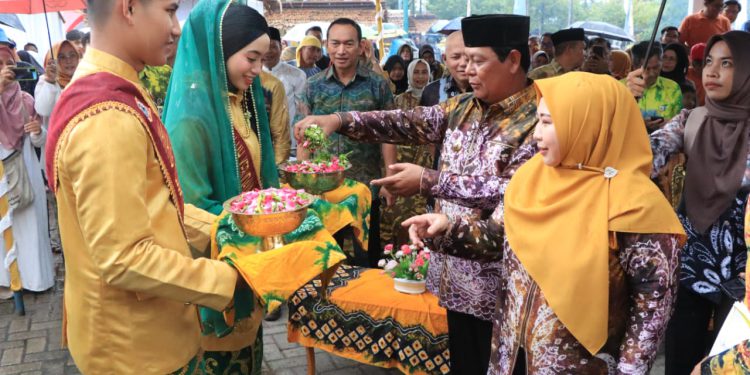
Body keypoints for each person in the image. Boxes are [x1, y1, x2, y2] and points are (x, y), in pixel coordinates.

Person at [294, 15, 538, 374]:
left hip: (505, 290)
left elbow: (516, 196)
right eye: (463, 60)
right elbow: (405, 121)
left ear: (513, 60)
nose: (466, 70)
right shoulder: (463, 107)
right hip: (456, 281)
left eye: (478, 61)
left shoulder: (538, 120)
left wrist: (429, 181)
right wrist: (340, 121)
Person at [407, 72, 686, 374]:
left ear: (587, 124)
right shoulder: (532, 179)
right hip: (511, 356)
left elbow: (650, 312)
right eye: (538, 119)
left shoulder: (637, 209)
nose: (537, 133)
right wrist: (447, 228)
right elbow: (497, 236)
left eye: (549, 122)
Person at [44, 0, 249, 371]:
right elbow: (124, 258)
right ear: (129, 7)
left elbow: (157, 206)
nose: (176, 28)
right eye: (170, 10)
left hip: (142, 332)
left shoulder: (113, 90)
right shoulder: (107, 115)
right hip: (135, 349)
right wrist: (234, 281)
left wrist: (227, 229)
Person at [627, 30, 750, 375]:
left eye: (727, 64)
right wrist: (625, 103)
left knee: (729, 365)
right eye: (709, 62)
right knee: (681, 360)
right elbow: (640, 158)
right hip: (691, 257)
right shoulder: (691, 119)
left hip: (745, 269)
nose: (711, 72)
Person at [298, 18, 394, 265]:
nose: (341, 50)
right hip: (325, 189)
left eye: (348, 44)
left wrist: (388, 180)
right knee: (326, 255)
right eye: (335, 43)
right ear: (326, 45)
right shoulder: (313, 86)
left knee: (367, 254)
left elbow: (389, 135)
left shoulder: (377, 85)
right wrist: (303, 181)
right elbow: (304, 136)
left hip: (365, 185)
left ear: (361, 46)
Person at [0, 45, 55, 297]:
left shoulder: (25, 99)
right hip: (2, 172)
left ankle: (35, 280)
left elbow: (38, 141)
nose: (3, 72)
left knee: (30, 223)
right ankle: (8, 281)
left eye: (6, 66)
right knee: (5, 227)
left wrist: (36, 131)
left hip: (25, 168)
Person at [380, 58, 433, 245]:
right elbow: (390, 135)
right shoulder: (399, 100)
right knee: (396, 214)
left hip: (427, 167)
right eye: (416, 72)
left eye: (423, 72)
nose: (420, 76)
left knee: (423, 219)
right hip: (402, 164)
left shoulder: (435, 100)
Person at [263, 26, 307, 156]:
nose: (268, 52)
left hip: (290, 139)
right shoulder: (252, 75)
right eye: (264, 47)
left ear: (280, 47)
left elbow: (302, 109)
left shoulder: (297, 74)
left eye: (273, 46)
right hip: (262, 138)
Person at [627, 41, 683, 133]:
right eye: (647, 69)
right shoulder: (620, 88)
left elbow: (680, 124)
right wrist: (640, 124)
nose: (652, 73)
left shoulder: (673, 88)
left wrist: (669, 123)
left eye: (656, 67)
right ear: (635, 66)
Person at [420, 30, 471, 107]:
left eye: (468, 57)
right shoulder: (431, 92)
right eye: (456, 57)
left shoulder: (488, 90)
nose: (463, 63)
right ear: (445, 59)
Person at [259, 70, 291, 164]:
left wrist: (277, 170)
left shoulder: (272, 85)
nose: (257, 68)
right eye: (251, 59)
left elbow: (280, 134)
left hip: (263, 162)